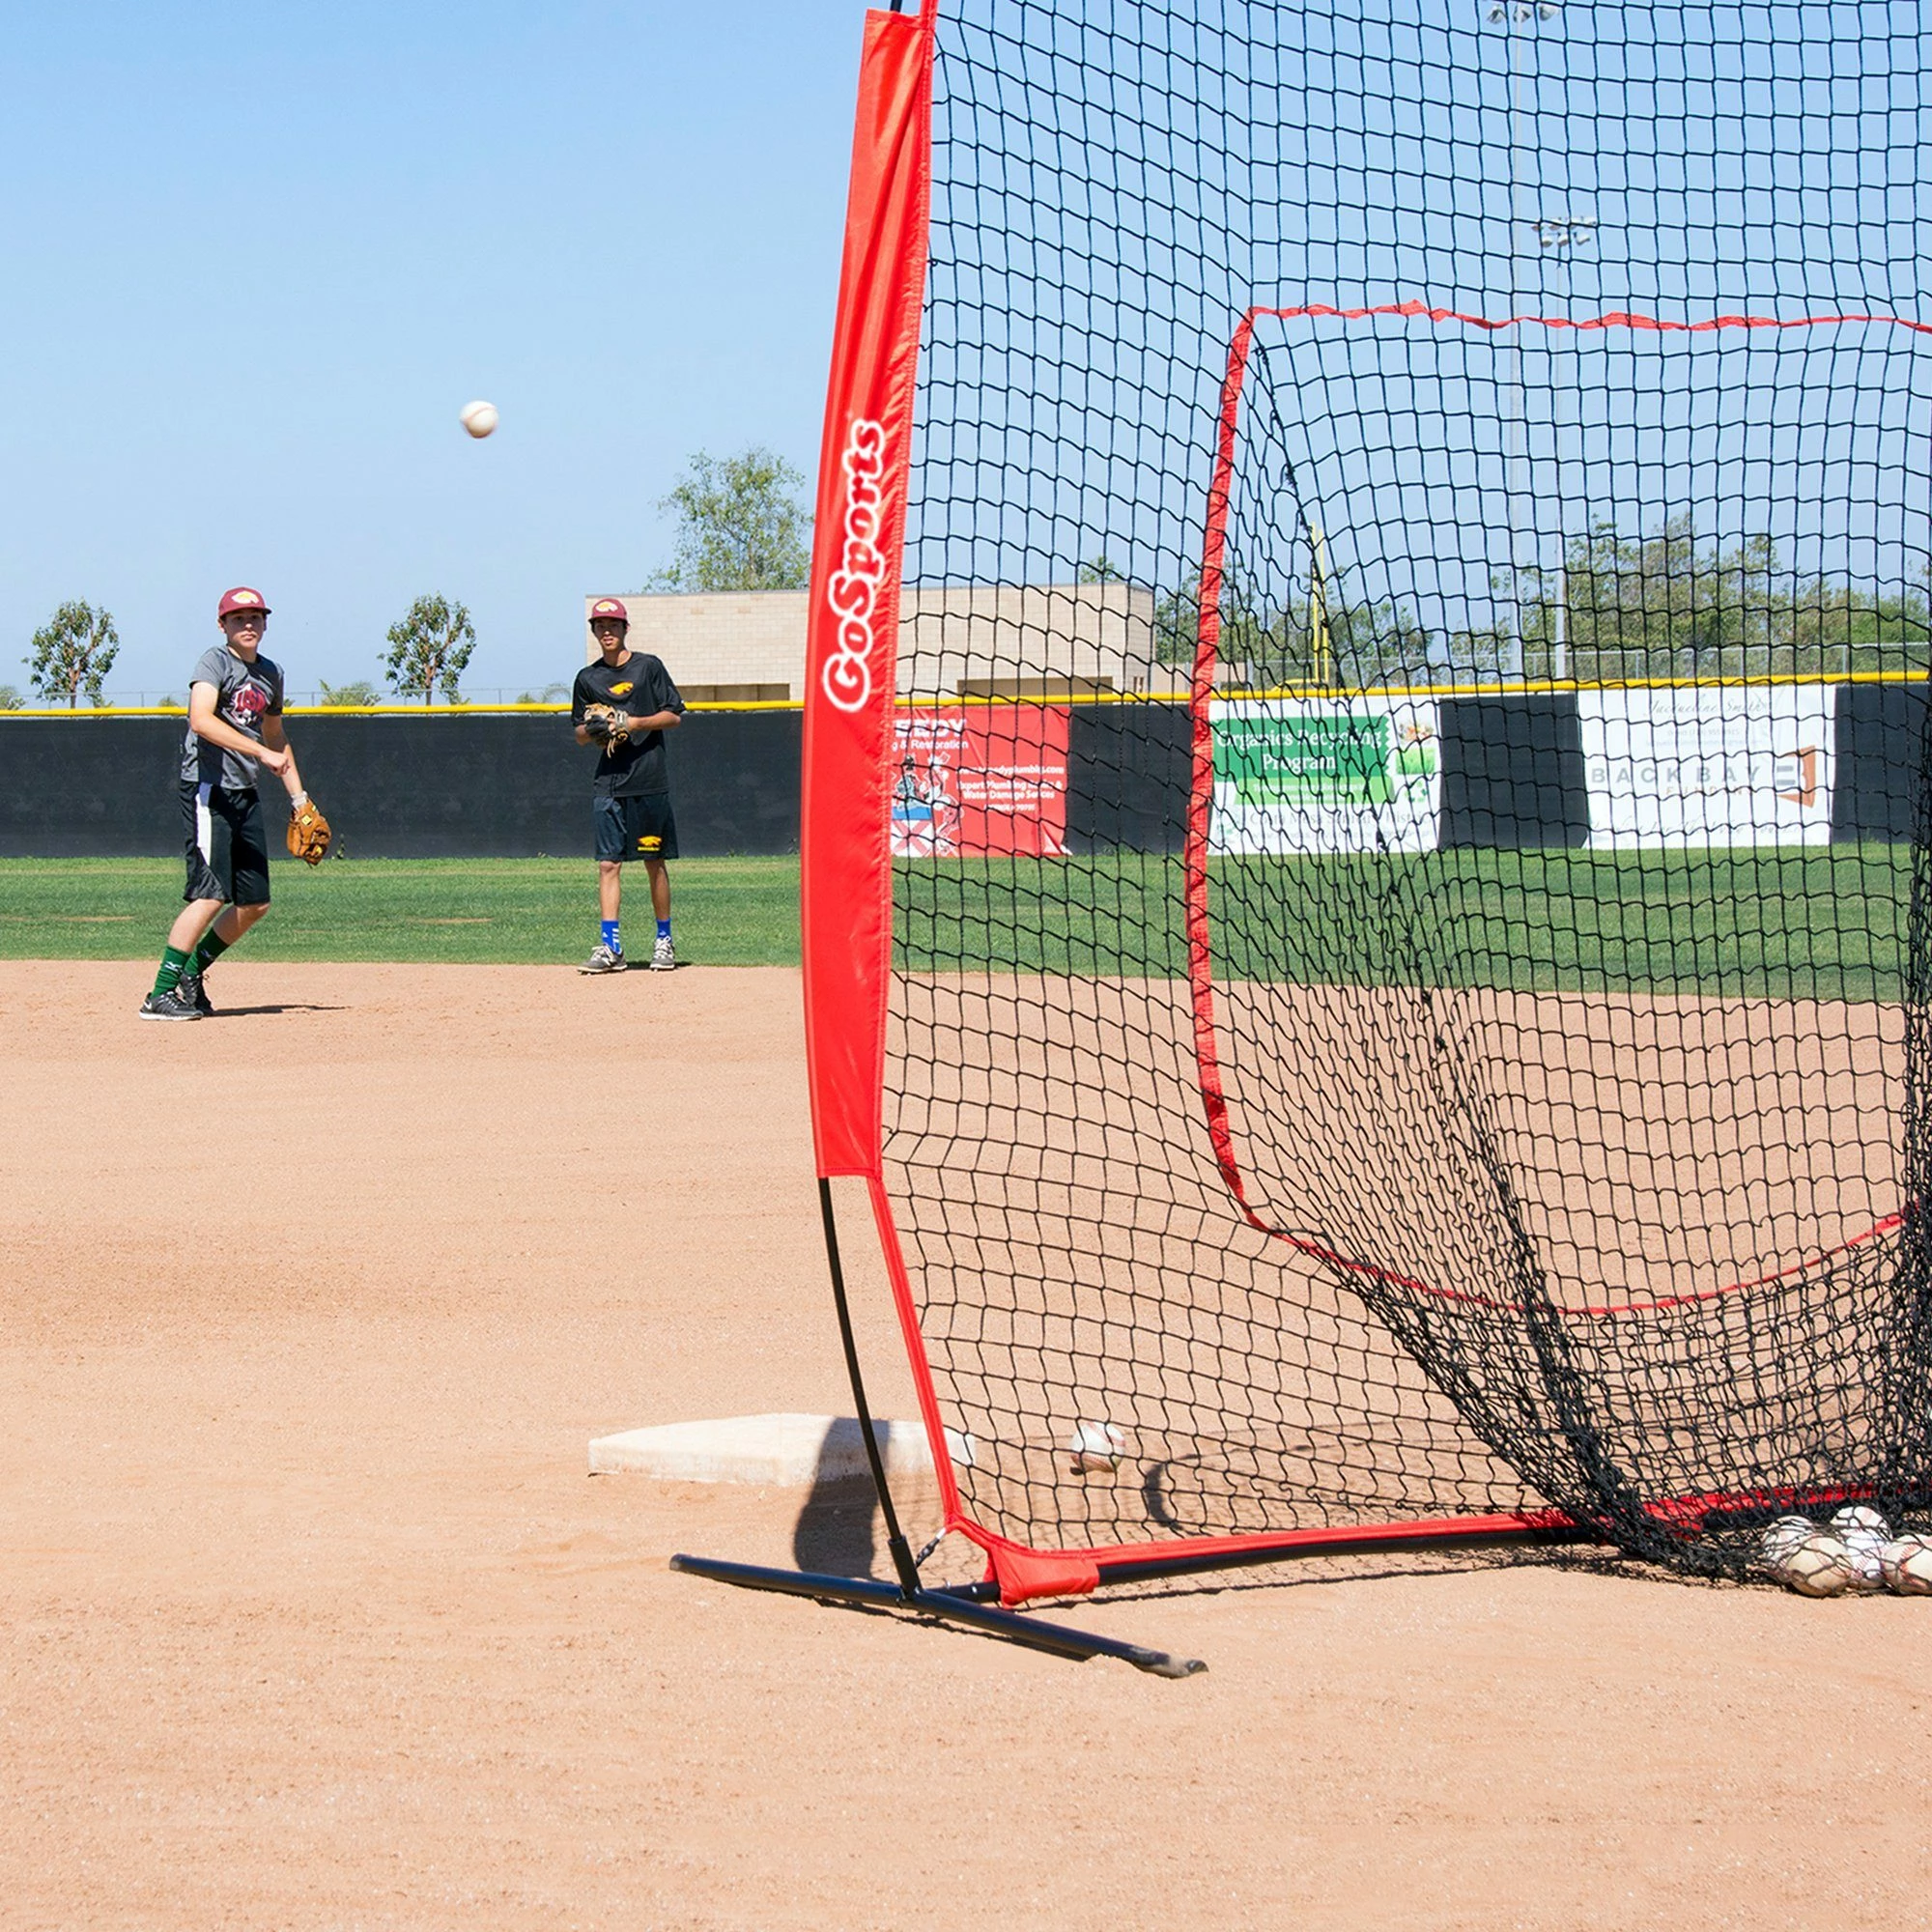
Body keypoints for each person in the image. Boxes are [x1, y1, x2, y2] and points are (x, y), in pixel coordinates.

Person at [138, 586, 312, 1020]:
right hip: (208, 788)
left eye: (255, 617)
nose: (248, 624)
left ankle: (191, 976)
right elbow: (201, 719)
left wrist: (300, 799)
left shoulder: (271, 673)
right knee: (211, 894)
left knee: (254, 903)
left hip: (244, 793)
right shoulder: (214, 662)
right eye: (238, 618)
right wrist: (260, 754)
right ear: (223, 626)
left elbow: (276, 738)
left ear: (266, 623)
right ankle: (158, 995)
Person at [571, 597, 686, 972]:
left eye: (613, 625)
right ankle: (610, 947)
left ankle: (664, 939)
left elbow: (674, 715)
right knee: (608, 865)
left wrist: (632, 723)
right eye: (600, 625)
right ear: (594, 632)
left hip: (649, 779)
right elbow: (578, 733)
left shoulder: (649, 667)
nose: (607, 631)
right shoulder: (587, 679)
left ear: (625, 629)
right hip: (608, 781)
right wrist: (595, 729)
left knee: (654, 861)